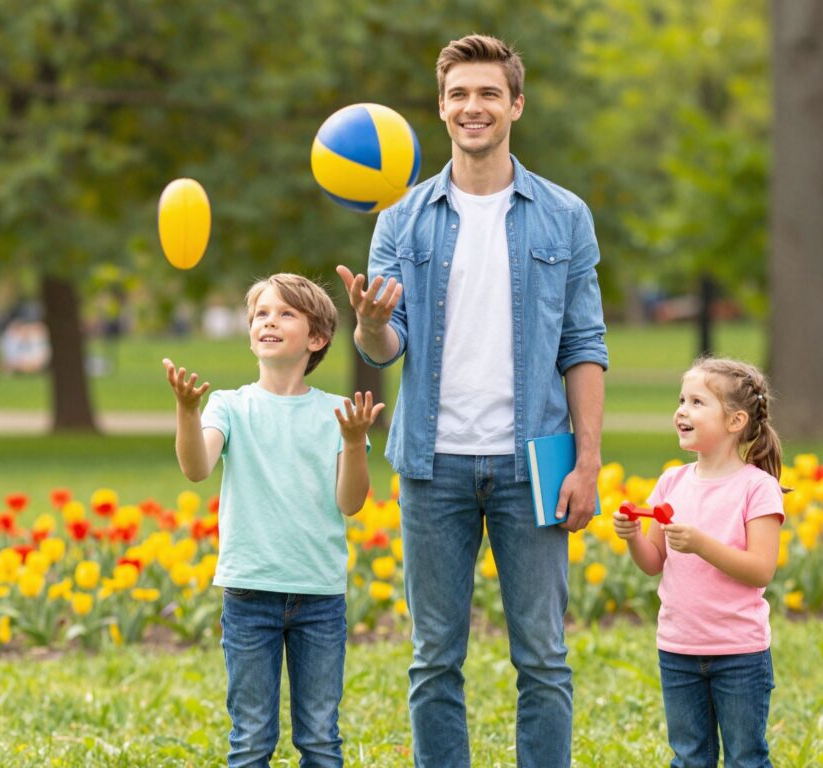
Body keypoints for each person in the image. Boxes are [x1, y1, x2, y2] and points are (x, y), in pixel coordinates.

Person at [336, 33, 608, 768]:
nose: (472, 106)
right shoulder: (401, 219)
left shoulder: (564, 215)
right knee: (432, 662)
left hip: (536, 463)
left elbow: (584, 344)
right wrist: (368, 325)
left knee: (544, 661)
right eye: (458, 94)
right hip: (432, 465)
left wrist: (588, 462)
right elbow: (388, 344)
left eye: (488, 92)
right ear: (441, 108)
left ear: (516, 104)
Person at [163, 273, 383, 768]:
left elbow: (351, 502)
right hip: (248, 594)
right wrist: (186, 411)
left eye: (286, 313)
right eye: (261, 313)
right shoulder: (230, 406)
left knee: (321, 740)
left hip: (319, 598)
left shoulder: (338, 413)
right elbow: (197, 468)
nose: (269, 320)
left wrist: (352, 444)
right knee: (251, 740)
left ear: (317, 338)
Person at [613, 357, 785, 768]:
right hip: (678, 647)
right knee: (689, 757)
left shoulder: (757, 488)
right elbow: (654, 562)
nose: (681, 411)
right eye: (681, 400)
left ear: (735, 420)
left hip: (739, 653)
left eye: (696, 402)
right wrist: (634, 537)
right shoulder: (671, 481)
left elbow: (761, 569)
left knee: (746, 757)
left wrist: (701, 544)